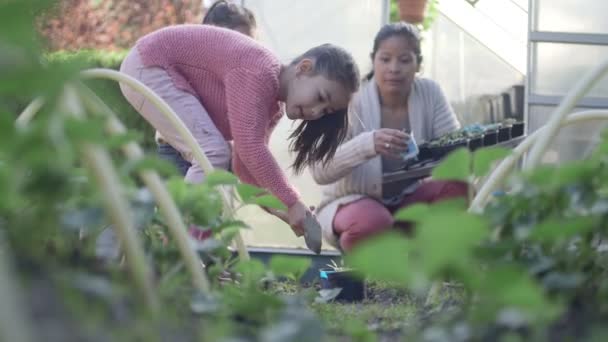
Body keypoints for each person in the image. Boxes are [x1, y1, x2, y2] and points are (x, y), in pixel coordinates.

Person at [119, 24, 360, 236]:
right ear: (304, 68)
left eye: (326, 111)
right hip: (151, 64)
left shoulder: (272, 107)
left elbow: (243, 165)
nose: (317, 112)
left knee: (215, 154)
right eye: (320, 97)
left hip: (154, 67)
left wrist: (283, 209)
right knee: (212, 152)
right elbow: (249, 148)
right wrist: (293, 200)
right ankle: (173, 240)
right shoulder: (259, 71)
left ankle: (177, 243)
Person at [311, 22, 467, 252]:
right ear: (373, 60)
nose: (394, 68)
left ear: (418, 64)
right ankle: (366, 279)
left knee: (458, 188)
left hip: (408, 200)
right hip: (352, 203)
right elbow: (319, 170)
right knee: (373, 222)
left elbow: (455, 150)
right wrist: (368, 144)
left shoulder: (430, 93)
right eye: (385, 59)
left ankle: (426, 266)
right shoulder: (351, 99)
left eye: (404, 60)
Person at [155, 0, 258, 175]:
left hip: (217, 150)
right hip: (177, 151)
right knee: (187, 200)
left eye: (247, 43)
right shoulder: (193, 66)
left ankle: (280, 202)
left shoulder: (244, 74)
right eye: (231, 42)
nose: (240, 51)